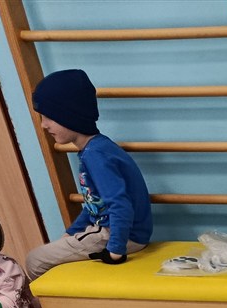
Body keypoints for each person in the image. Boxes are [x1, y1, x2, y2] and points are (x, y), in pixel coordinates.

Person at [25, 69, 152, 279]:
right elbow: (95, 206)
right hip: (117, 232)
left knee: (35, 260)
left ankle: (38, 303)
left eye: (49, 117)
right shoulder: (96, 149)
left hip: (117, 235)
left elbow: (120, 204)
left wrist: (116, 250)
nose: (43, 125)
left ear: (69, 115)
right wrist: (70, 233)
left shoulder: (96, 155)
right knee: (49, 253)